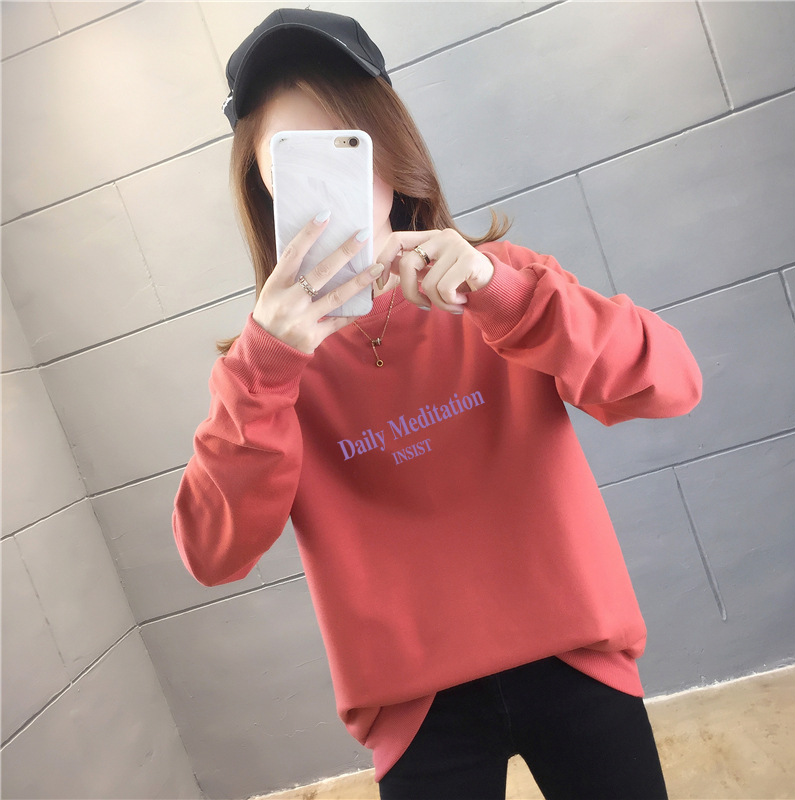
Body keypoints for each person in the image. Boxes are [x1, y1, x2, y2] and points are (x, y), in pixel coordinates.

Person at [173, 9, 702, 799]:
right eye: (294, 158)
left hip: (576, 659)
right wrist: (265, 365)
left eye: (347, 146)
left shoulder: (503, 286)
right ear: (262, 183)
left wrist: (504, 297)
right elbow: (213, 553)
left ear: (391, 149)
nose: (331, 184)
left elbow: (670, 383)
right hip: (416, 711)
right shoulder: (263, 372)